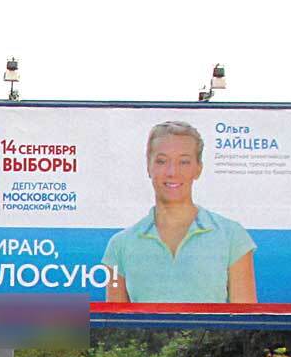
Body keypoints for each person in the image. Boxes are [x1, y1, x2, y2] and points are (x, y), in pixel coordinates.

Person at [102, 120, 257, 305]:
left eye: (184, 162)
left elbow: (246, 324)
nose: (172, 172)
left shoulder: (233, 237)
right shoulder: (119, 246)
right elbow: (115, 325)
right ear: (148, 166)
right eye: (161, 161)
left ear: (198, 168)